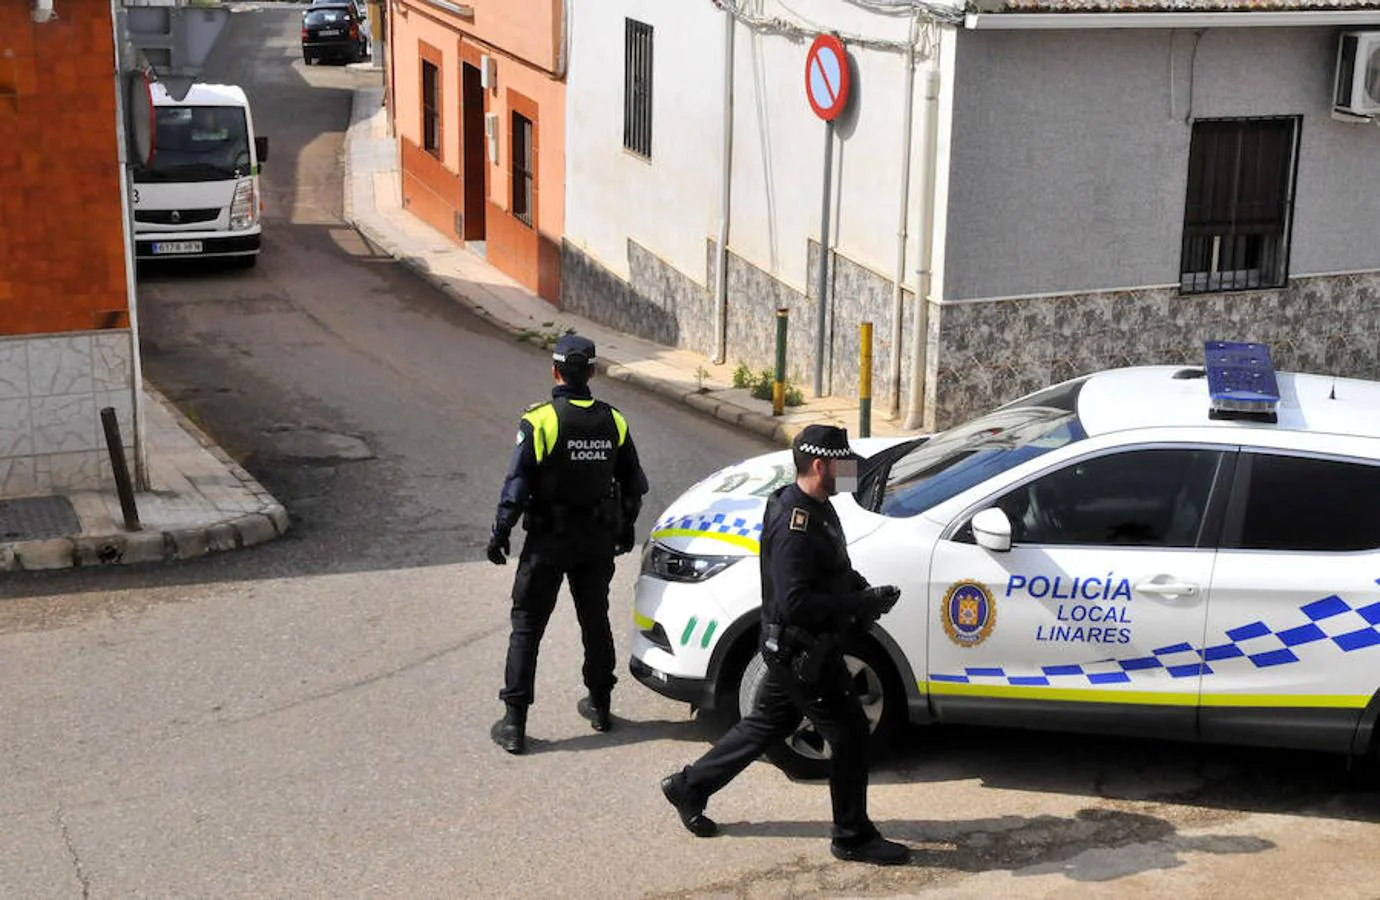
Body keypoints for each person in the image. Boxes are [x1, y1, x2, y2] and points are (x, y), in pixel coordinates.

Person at [659, 424, 909, 866]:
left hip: (800, 648)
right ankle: (852, 836)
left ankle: (689, 786)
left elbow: (828, 570)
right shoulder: (795, 523)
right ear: (819, 465)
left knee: (766, 725)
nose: (850, 470)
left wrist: (863, 590)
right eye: (842, 462)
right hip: (801, 652)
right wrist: (856, 602)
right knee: (850, 733)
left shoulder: (817, 505)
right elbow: (795, 601)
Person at [486, 334, 649, 755]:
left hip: (547, 543)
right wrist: (626, 525)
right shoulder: (613, 421)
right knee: (594, 621)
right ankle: (600, 705)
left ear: (555, 370)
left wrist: (501, 531)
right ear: (592, 373)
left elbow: (517, 485)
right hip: (595, 542)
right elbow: (634, 485)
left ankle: (514, 722)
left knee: (527, 627)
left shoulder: (541, 420)